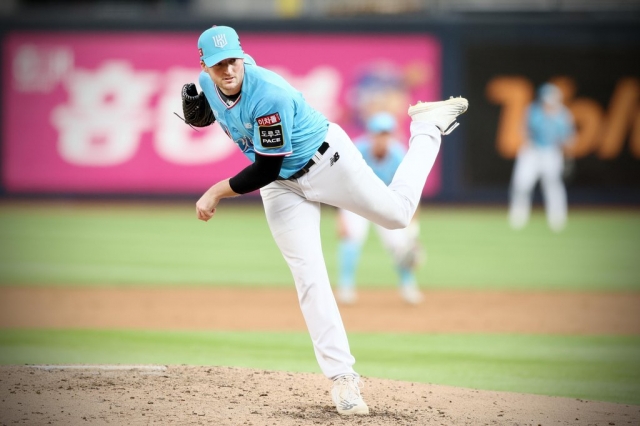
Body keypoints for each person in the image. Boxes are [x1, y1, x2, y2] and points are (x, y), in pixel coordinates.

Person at [185, 25, 468, 416]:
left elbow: (265, 168)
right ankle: (344, 380)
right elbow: (259, 159)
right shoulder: (207, 81)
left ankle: (426, 126)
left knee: (398, 216)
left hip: (328, 162)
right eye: (218, 64)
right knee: (309, 276)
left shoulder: (269, 93)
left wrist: (216, 190)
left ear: (242, 55)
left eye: (233, 60)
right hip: (283, 189)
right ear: (204, 64)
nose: (228, 69)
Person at [336, 112, 424, 305]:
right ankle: (346, 286)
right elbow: (340, 182)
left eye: (386, 134)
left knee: (399, 245)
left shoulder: (399, 154)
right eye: (379, 133)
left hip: (386, 200)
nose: (382, 138)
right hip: (355, 201)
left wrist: (412, 225)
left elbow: (410, 192)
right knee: (351, 239)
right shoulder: (356, 150)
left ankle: (408, 286)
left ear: (392, 135)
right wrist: (340, 217)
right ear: (371, 134)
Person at [508, 82, 576, 232]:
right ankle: (518, 218)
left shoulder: (563, 114)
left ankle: (557, 220)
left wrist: (566, 153)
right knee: (522, 184)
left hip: (551, 152)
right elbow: (524, 131)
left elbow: (569, 138)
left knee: (553, 186)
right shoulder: (533, 111)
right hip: (532, 151)